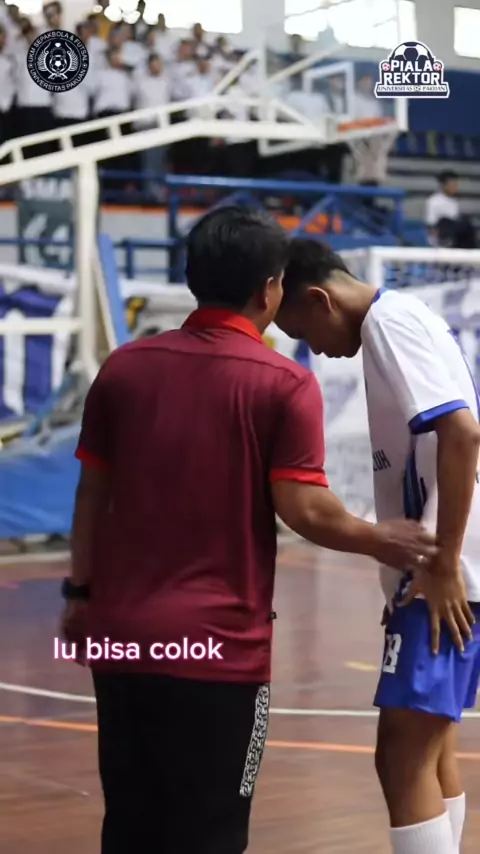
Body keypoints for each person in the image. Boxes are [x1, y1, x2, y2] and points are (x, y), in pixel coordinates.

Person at [62, 208, 437, 854]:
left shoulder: (123, 368)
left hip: (119, 638)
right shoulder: (283, 383)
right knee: (212, 833)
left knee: (130, 824)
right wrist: (386, 539)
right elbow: (304, 508)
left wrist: (78, 595)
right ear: (269, 289)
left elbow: (91, 495)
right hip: (218, 650)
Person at [274, 237, 480, 854]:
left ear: (320, 299)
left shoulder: (389, 324)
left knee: (400, 757)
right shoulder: (402, 318)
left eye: (303, 332)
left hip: (449, 572)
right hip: (444, 568)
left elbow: (464, 433)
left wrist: (443, 564)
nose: (314, 350)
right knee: (431, 748)